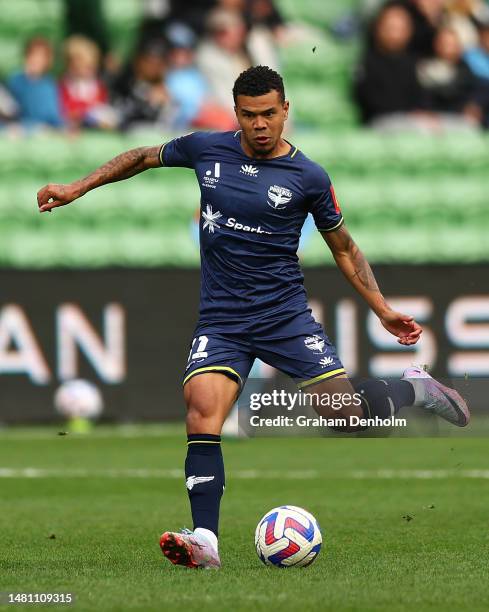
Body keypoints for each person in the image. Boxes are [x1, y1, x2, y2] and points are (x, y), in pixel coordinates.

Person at [37, 65, 470, 570]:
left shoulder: (309, 177)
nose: (260, 124)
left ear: (285, 110)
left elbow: (345, 248)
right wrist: (77, 187)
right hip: (222, 319)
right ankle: (205, 540)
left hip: (284, 316)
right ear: (236, 113)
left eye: (269, 114)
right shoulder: (206, 149)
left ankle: (416, 388)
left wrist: (382, 309)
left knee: (349, 418)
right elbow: (140, 156)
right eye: (249, 115)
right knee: (201, 408)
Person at [8, 37, 64, 131]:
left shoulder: (49, 84)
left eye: (41, 57)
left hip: (48, 132)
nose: (36, 60)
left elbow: (55, 115)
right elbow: (11, 113)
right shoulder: (16, 81)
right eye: (33, 55)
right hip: (24, 130)